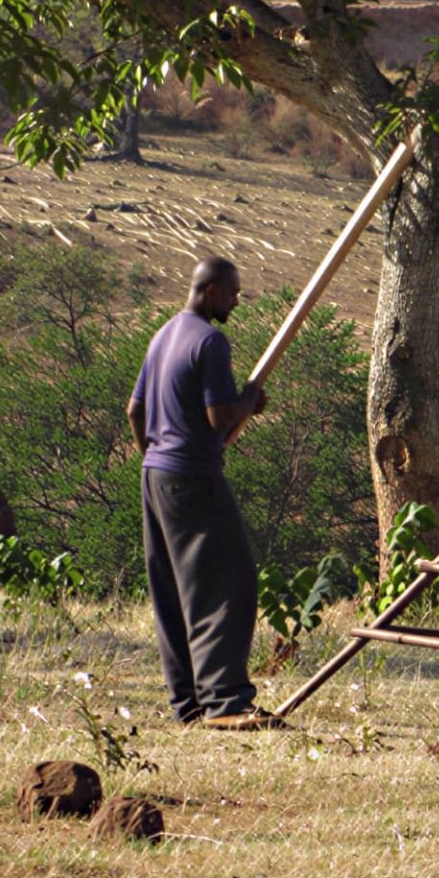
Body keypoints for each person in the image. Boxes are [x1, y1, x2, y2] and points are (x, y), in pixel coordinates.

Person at [127, 256, 274, 729]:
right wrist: (249, 401)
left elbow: (135, 410)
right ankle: (225, 701)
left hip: (156, 476)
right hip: (193, 476)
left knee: (173, 587)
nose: (236, 301)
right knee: (229, 581)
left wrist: (153, 455)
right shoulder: (210, 341)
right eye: (232, 293)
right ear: (209, 291)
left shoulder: (164, 334)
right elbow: (218, 418)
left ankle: (187, 704)